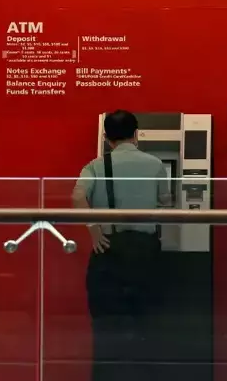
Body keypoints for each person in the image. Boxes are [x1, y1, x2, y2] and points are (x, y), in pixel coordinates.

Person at [72, 110, 171, 381]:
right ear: (136, 134)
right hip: (145, 253)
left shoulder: (96, 165)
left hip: (108, 250)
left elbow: (78, 196)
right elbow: (166, 202)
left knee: (107, 332)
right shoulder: (155, 164)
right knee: (147, 331)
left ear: (106, 138)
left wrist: (94, 229)